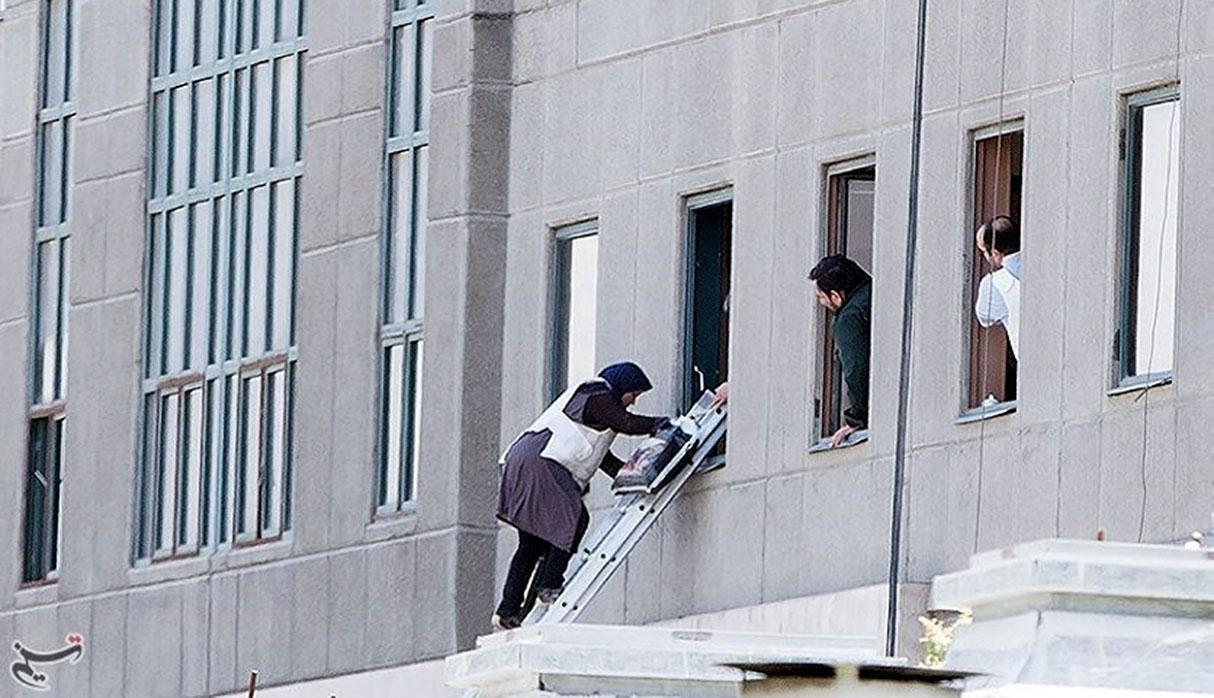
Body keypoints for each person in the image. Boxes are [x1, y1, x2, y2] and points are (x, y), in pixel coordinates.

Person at [493, 361, 669, 630]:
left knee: (531, 546)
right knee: (575, 518)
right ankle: (550, 585)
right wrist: (664, 425)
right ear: (621, 385)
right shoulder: (597, 395)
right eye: (634, 394)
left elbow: (602, 458)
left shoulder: (595, 409)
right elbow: (627, 423)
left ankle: (509, 611)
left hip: (523, 460)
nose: (633, 401)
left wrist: (631, 475)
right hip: (541, 461)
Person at [809, 254, 872, 448]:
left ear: (835, 296)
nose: (821, 302)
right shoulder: (874, 292)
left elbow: (856, 371)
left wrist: (857, 420)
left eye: (821, 296)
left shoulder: (848, 320)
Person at [973, 215, 1021, 360]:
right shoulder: (1045, 261)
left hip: (1035, 366)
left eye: (983, 252)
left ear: (995, 253)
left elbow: (985, 316)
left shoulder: (994, 283)